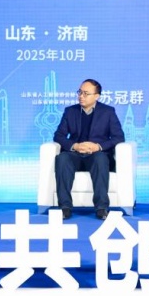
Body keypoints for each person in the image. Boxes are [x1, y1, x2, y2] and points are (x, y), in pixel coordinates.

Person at [53, 78, 125, 220]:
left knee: (100, 158)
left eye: (86, 93)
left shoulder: (108, 112)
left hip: (97, 155)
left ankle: (101, 208)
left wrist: (98, 147)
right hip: (75, 154)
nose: (81, 96)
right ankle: (65, 207)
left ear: (96, 96)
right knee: (62, 158)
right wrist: (75, 146)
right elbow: (58, 136)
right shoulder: (70, 111)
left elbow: (119, 137)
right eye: (80, 92)